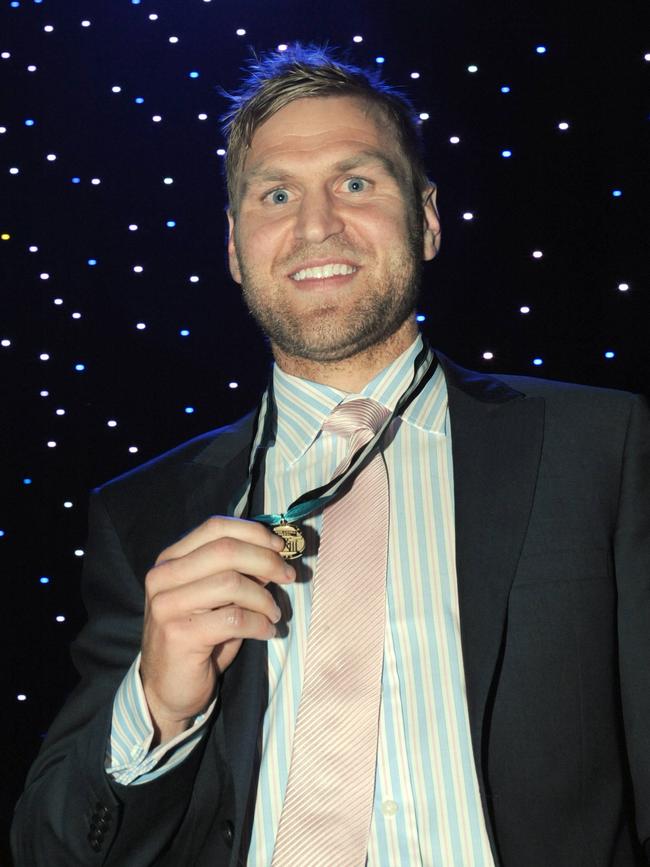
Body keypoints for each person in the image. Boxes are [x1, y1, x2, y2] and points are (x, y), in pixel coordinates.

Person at [11, 43, 650, 867]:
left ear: (425, 220)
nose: (316, 225)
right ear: (237, 248)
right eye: (276, 194)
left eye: (356, 182)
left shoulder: (605, 446)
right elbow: (49, 847)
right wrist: (156, 706)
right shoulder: (143, 511)